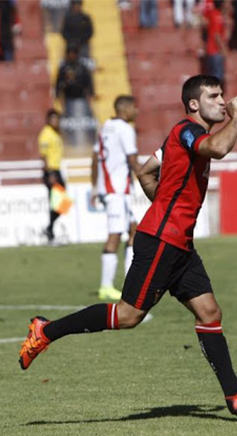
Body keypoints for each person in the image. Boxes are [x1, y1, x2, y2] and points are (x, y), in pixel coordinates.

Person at [18, 75, 237, 417]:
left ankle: (235, 393)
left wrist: (165, 207)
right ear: (194, 104)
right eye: (214, 96)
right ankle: (46, 330)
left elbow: (145, 172)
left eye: (222, 96)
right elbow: (217, 149)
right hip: (161, 241)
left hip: (179, 243)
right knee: (128, 316)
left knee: (209, 312)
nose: (221, 101)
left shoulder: (182, 137)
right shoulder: (187, 131)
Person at [90, 96, 140, 301]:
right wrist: (150, 179)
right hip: (117, 189)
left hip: (109, 188)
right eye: (134, 107)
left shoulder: (105, 127)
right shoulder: (125, 129)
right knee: (115, 235)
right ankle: (106, 286)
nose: (137, 111)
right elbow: (132, 159)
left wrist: (95, 187)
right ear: (125, 109)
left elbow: (94, 158)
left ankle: (131, 281)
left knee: (134, 229)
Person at [38, 109, 66, 242]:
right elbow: (43, 156)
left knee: (62, 203)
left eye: (57, 119)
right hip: (51, 171)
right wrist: (49, 174)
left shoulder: (56, 133)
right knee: (56, 203)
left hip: (57, 170)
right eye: (53, 119)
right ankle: (50, 232)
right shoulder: (46, 134)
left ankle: (49, 228)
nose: (55, 121)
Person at [203, 0, 226, 83]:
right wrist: (223, 49)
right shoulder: (218, 17)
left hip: (210, 49)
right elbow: (217, 35)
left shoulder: (212, 14)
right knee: (217, 76)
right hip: (215, 50)